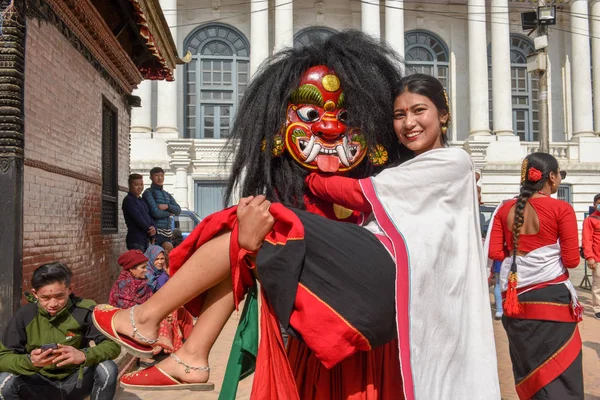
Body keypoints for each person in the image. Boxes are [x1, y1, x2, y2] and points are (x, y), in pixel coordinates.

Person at [93, 72, 500, 399]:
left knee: (265, 217)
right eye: (398, 115)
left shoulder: (451, 161)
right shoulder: (402, 170)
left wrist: (310, 177)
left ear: (443, 115)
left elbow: (356, 194)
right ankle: (191, 353)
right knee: (249, 236)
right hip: (354, 283)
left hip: (381, 272)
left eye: (419, 111)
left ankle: (148, 320)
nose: (408, 123)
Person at [488, 153, 582, 399]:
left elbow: (496, 252)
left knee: (528, 370)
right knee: (561, 372)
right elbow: (572, 261)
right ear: (551, 177)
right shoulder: (562, 208)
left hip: (515, 300)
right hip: (553, 300)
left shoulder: (504, 209)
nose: (560, 178)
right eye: (560, 173)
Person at [0, 263, 120, 400]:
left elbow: (113, 345)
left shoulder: (84, 311)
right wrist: (30, 361)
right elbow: (3, 357)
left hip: (77, 382)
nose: (53, 304)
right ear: (35, 293)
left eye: (59, 296)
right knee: (4, 381)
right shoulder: (24, 315)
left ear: (70, 289)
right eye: (45, 298)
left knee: (108, 369)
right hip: (37, 383)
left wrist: (84, 355)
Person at [108, 250, 194, 357]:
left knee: (172, 312)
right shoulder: (124, 285)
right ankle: (153, 352)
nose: (145, 271)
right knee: (161, 322)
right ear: (131, 268)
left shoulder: (142, 283)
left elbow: (152, 300)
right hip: (128, 321)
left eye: (146, 267)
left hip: (143, 315)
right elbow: (129, 310)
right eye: (142, 268)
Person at [143, 167, 181, 246]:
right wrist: (169, 213)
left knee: (167, 256)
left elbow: (178, 210)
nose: (160, 178)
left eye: (162, 175)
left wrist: (167, 206)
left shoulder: (167, 194)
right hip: (155, 232)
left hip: (168, 233)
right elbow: (155, 213)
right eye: (156, 175)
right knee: (156, 257)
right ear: (151, 177)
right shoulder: (148, 193)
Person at [122, 173, 156, 251]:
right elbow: (138, 218)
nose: (140, 187)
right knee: (139, 263)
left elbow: (149, 216)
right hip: (136, 240)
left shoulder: (141, 201)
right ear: (130, 186)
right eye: (136, 185)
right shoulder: (129, 200)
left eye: (141, 184)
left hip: (145, 239)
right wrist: (150, 230)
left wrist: (154, 228)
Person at [582, 193, 600, 319]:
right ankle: (598, 308)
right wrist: (590, 257)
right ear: (594, 204)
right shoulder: (590, 220)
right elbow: (586, 240)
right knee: (598, 285)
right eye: (599, 203)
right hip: (597, 257)